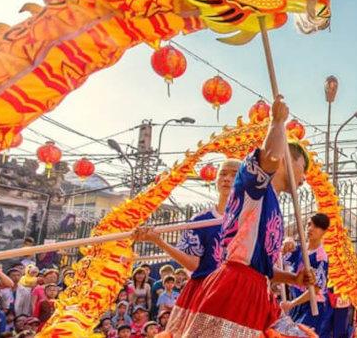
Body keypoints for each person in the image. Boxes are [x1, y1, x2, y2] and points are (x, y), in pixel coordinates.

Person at [168, 95, 315, 336]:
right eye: (303, 167)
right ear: (287, 160)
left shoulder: (273, 204)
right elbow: (269, 157)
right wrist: (276, 123)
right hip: (236, 290)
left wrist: (294, 279)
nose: (305, 178)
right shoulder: (253, 185)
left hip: (258, 291)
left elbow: (260, 266)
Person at [133, 158, 240, 333]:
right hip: (206, 295)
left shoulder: (250, 220)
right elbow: (193, 264)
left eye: (234, 175)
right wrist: (158, 241)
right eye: (223, 174)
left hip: (238, 297)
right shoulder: (200, 221)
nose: (227, 179)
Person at [281, 213, 333, 336]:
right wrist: (285, 245)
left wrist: (292, 304)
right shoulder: (298, 250)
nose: (310, 228)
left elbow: (315, 289)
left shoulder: (321, 257)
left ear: (324, 232)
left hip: (312, 308)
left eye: (316, 226)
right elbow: (279, 261)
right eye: (309, 224)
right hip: (296, 305)